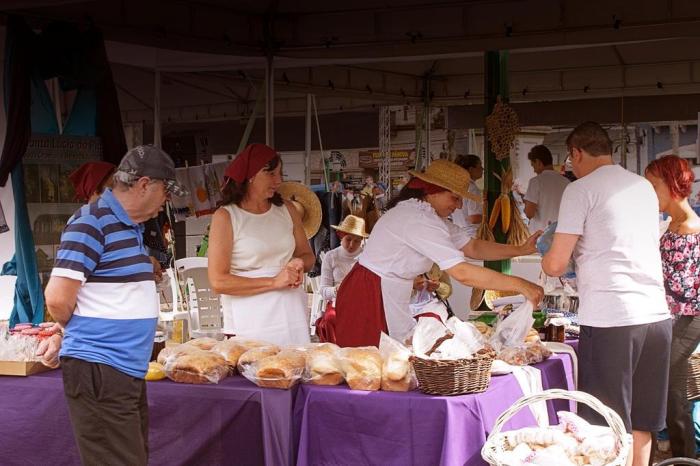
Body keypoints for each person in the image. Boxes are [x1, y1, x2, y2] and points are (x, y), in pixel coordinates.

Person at [43, 145, 186, 466]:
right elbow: (56, 297)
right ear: (144, 184)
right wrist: (78, 331)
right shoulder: (91, 222)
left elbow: (105, 278)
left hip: (119, 370)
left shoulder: (128, 226)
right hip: (100, 368)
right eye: (166, 190)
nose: (167, 200)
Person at [542, 122, 671, 466]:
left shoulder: (580, 190)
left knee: (605, 423)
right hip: (656, 315)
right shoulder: (642, 186)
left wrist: (544, 252)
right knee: (643, 419)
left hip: (612, 316)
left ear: (577, 153)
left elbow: (555, 264)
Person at [334, 159, 544, 347]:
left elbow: (473, 247)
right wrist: (520, 284)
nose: (459, 205)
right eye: (455, 198)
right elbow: (462, 273)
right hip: (367, 294)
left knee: (392, 360)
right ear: (432, 191)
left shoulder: (430, 217)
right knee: (371, 367)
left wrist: (520, 249)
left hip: (385, 290)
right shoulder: (418, 219)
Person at [208, 143, 315, 346]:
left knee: (293, 367)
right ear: (251, 176)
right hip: (248, 316)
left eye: (280, 173)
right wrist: (273, 282)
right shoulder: (226, 216)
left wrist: (298, 263)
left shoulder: (287, 209)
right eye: (271, 174)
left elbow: (307, 255)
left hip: (290, 310)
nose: (279, 180)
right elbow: (218, 281)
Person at [645, 155, 700, 458]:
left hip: (689, 318)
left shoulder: (691, 227)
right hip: (670, 317)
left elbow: (686, 288)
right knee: (673, 391)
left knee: (660, 383)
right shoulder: (672, 224)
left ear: (671, 184)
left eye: (653, 185)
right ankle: (684, 458)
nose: (650, 193)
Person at [316, 215, 369, 343]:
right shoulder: (331, 256)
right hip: (337, 303)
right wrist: (336, 290)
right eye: (348, 239)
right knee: (330, 319)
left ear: (362, 240)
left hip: (361, 303)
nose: (352, 245)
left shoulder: (367, 257)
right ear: (341, 236)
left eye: (357, 241)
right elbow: (323, 290)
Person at [524, 145, 570, 233]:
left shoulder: (536, 181)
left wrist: (526, 204)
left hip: (540, 235)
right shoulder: (567, 182)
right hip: (560, 234)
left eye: (533, 166)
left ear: (538, 162)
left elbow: (529, 213)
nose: (534, 170)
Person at [453, 154, 484, 238]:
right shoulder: (472, 189)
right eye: (479, 166)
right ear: (471, 169)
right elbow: (474, 218)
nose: (482, 169)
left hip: (459, 233)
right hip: (472, 235)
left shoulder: (457, 185)